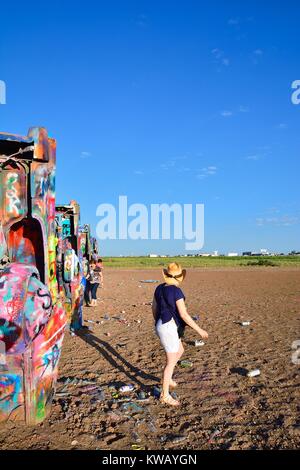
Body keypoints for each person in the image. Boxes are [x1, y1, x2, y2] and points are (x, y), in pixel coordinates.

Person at [152, 262, 208, 407]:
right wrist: (199, 330)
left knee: (180, 350)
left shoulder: (159, 288)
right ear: (179, 277)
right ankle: (165, 395)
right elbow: (184, 315)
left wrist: (157, 322)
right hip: (168, 327)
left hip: (161, 324)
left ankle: (168, 379)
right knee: (170, 362)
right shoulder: (176, 292)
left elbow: (154, 308)